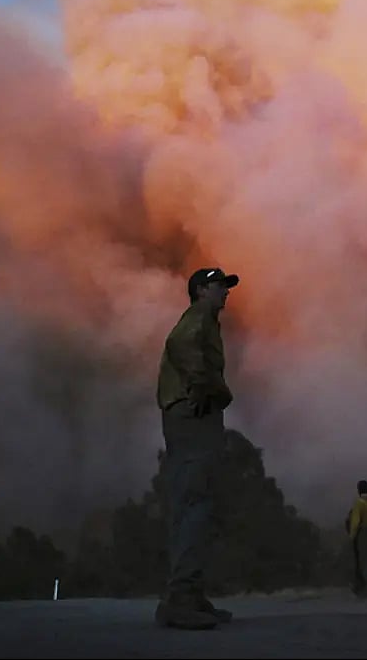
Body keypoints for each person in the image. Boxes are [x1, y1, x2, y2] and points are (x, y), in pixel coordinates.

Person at [153, 267, 240, 630]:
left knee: (196, 503)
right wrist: (206, 387)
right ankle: (181, 598)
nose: (226, 293)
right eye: (220, 285)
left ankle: (191, 593)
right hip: (192, 414)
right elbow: (180, 345)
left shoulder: (204, 319)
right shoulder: (198, 317)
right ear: (201, 289)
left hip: (189, 414)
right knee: (195, 504)